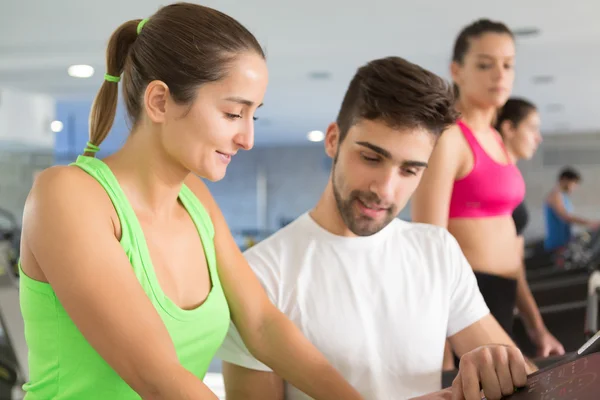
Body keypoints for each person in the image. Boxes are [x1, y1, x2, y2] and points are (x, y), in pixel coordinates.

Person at [18, 3, 367, 399]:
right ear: (160, 102)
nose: (247, 139)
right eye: (233, 113)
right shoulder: (67, 195)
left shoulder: (195, 199)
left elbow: (262, 325)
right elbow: (158, 377)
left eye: (253, 116)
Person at [216, 56, 533, 400]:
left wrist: (499, 364)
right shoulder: (260, 276)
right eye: (371, 158)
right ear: (334, 139)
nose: (384, 188)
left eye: (409, 170)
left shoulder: (437, 250)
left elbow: (522, 375)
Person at [411, 19, 565, 371]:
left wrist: (535, 324)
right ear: (457, 70)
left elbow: (512, 249)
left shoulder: (496, 140)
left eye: (508, 64)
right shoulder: (450, 137)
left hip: (503, 293)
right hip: (465, 298)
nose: (500, 74)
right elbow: (427, 244)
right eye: (484, 64)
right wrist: (442, 340)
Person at [496, 98, 564, 356]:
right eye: (533, 128)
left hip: (504, 294)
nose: (539, 138)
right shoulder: (495, 182)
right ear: (508, 128)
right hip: (484, 297)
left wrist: (535, 325)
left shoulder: (512, 180)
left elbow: (515, 265)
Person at [544, 167, 599, 251]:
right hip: (557, 245)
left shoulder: (563, 196)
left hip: (565, 242)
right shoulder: (556, 195)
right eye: (574, 183)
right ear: (564, 179)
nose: (574, 187)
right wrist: (590, 223)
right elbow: (565, 216)